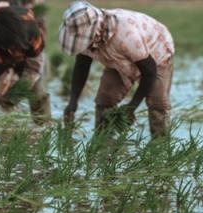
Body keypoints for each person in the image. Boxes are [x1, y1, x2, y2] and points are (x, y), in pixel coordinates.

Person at [59, 1, 175, 138]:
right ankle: (103, 143)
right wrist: (73, 101)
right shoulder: (86, 35)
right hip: (117, 59)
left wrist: (132, 107)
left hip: (156, 53)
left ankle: (159, 147)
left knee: (157, 102)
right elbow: (82, 66)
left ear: (95, 31)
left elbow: (149, 71)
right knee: (105, 98)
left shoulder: (126, 35)